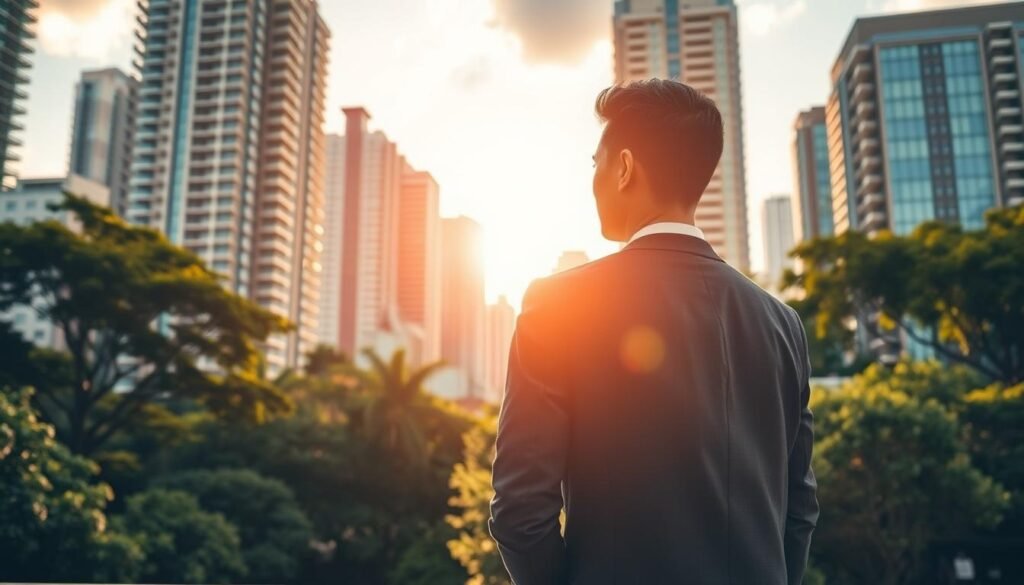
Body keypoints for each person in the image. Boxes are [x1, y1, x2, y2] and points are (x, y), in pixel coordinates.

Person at [488, 79, 819, 585]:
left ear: (623, 168)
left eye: (594, 163)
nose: (593, 179)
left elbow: (520, 511)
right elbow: (799, 510)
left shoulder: (559, 305)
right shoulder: (783, 324)